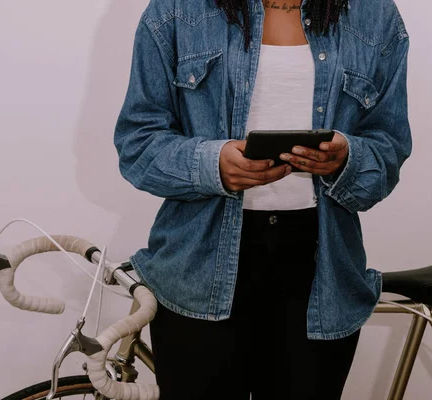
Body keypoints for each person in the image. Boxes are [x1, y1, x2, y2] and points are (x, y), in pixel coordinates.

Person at [114, 0, 411, 398]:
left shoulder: (373, 15)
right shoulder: (176, 10)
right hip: (198, 267)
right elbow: (137, 142)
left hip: (320, 273)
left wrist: (346, 158)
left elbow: (388, 148)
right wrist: (212, 164)